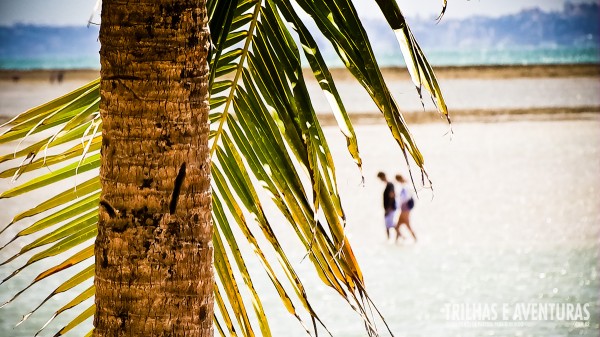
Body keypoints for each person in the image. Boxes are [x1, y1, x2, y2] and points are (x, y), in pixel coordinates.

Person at [395, 174, 417, 242]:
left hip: (405, 208)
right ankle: (398, 241)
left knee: (406, 225)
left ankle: (415, 239)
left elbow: (405, 197)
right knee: (397, 226)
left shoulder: (404, 186)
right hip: (405, 208)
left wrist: (398, 197)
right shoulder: (406, 185)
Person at [377, 172, 397, 240]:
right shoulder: (388, 185)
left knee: (389, 225)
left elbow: (392, 195)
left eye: (380, 178)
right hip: (389, 208)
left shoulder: (389, 185)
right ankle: (391, 239)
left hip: (390, 208)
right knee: (388, 225)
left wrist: (388, 208)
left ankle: (398, 237)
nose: (380, 180)